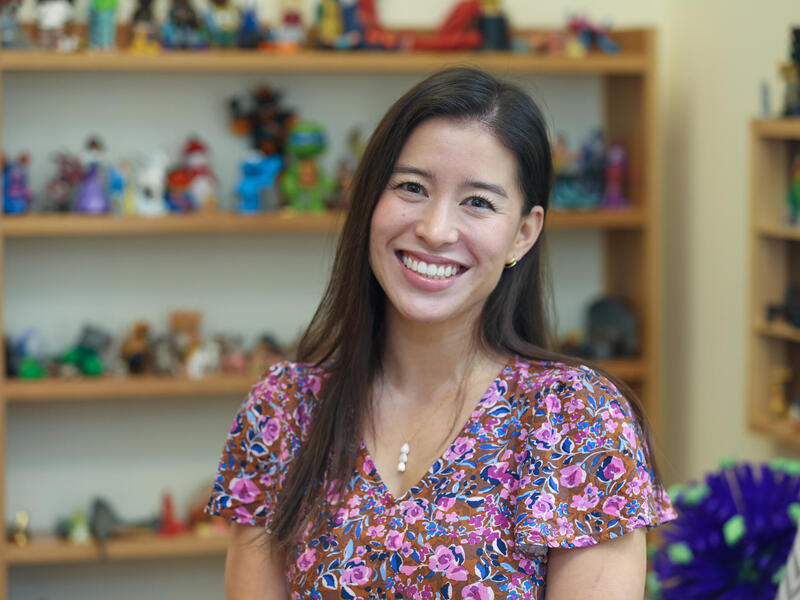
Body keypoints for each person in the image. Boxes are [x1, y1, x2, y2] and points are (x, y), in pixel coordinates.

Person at [206, 66, 677, 599]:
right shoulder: (284, 410)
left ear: (523, 234)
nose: (434, 229)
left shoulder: (577, 420)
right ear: (367, 204)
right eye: (411, 187)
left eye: (477, 201)